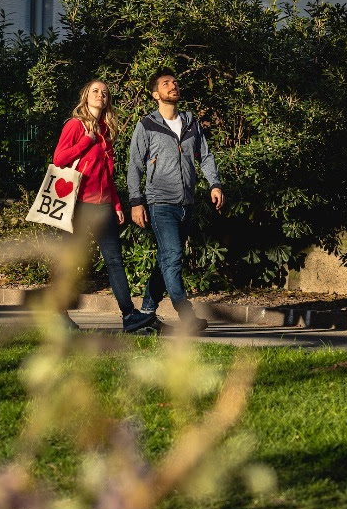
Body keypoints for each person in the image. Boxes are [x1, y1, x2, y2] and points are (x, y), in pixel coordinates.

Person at [54, 79, 158, 334]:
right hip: (77, 204)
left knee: (114, 260)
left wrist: (117, 203)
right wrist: (85, 142)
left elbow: (107, 174)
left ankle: (129, 316)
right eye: (95, 91)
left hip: (102, 205)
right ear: (86, 96)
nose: (101, 95)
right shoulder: (75, 125)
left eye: (105, 93)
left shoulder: (104, 129)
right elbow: (59, 158)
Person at [127, 68, 224, 333]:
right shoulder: (147, 125)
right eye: (166, 83)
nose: (173, 86)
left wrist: (214, 184)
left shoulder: (191, 122)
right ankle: (187, 316)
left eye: (175, 82)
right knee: (173, 257)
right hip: (160, 204)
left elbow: (205, 155)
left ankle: (145, 314)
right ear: (155, 94)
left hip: (187, 204)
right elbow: (134, 165)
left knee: (166, 260)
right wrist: (136, 202)